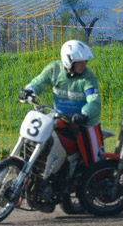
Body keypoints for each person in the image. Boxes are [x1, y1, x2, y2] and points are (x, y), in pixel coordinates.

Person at [18, 39, 104, 177]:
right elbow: (39, 82)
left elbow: (94, 101)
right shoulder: (54, 70)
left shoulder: (88, 78)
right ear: (69, 61)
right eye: (80, 61)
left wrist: (85, 114)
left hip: (84, 123)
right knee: (37, 142)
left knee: (94, 164)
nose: (84, 64)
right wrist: (28, 90)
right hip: (59, 119)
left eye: (85, 61)